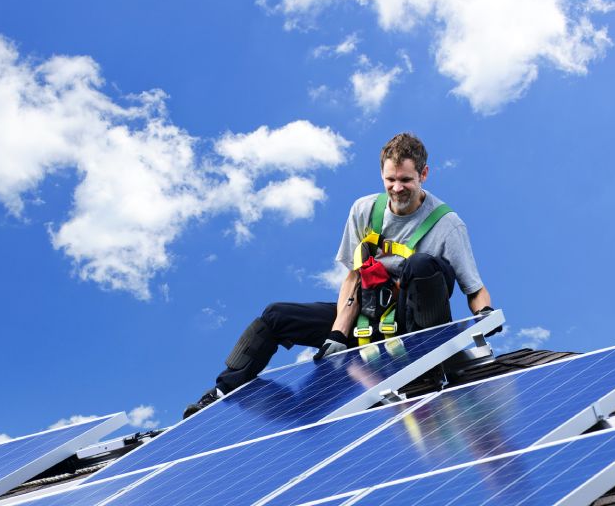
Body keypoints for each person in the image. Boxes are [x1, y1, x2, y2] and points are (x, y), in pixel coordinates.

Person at [183, 132, 493, 418]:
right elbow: (353, 277)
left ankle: (426, 361)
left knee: (422, 265)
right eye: (391, 179)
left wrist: (486, 319)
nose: (397, 188)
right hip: (366, 320)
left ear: (424, 175)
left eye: (406, 180)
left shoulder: (447, 225)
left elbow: (474, 289)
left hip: (411, 325)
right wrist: (337, 335)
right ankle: (221, 392)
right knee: (275, 316)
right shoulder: (364, 210)